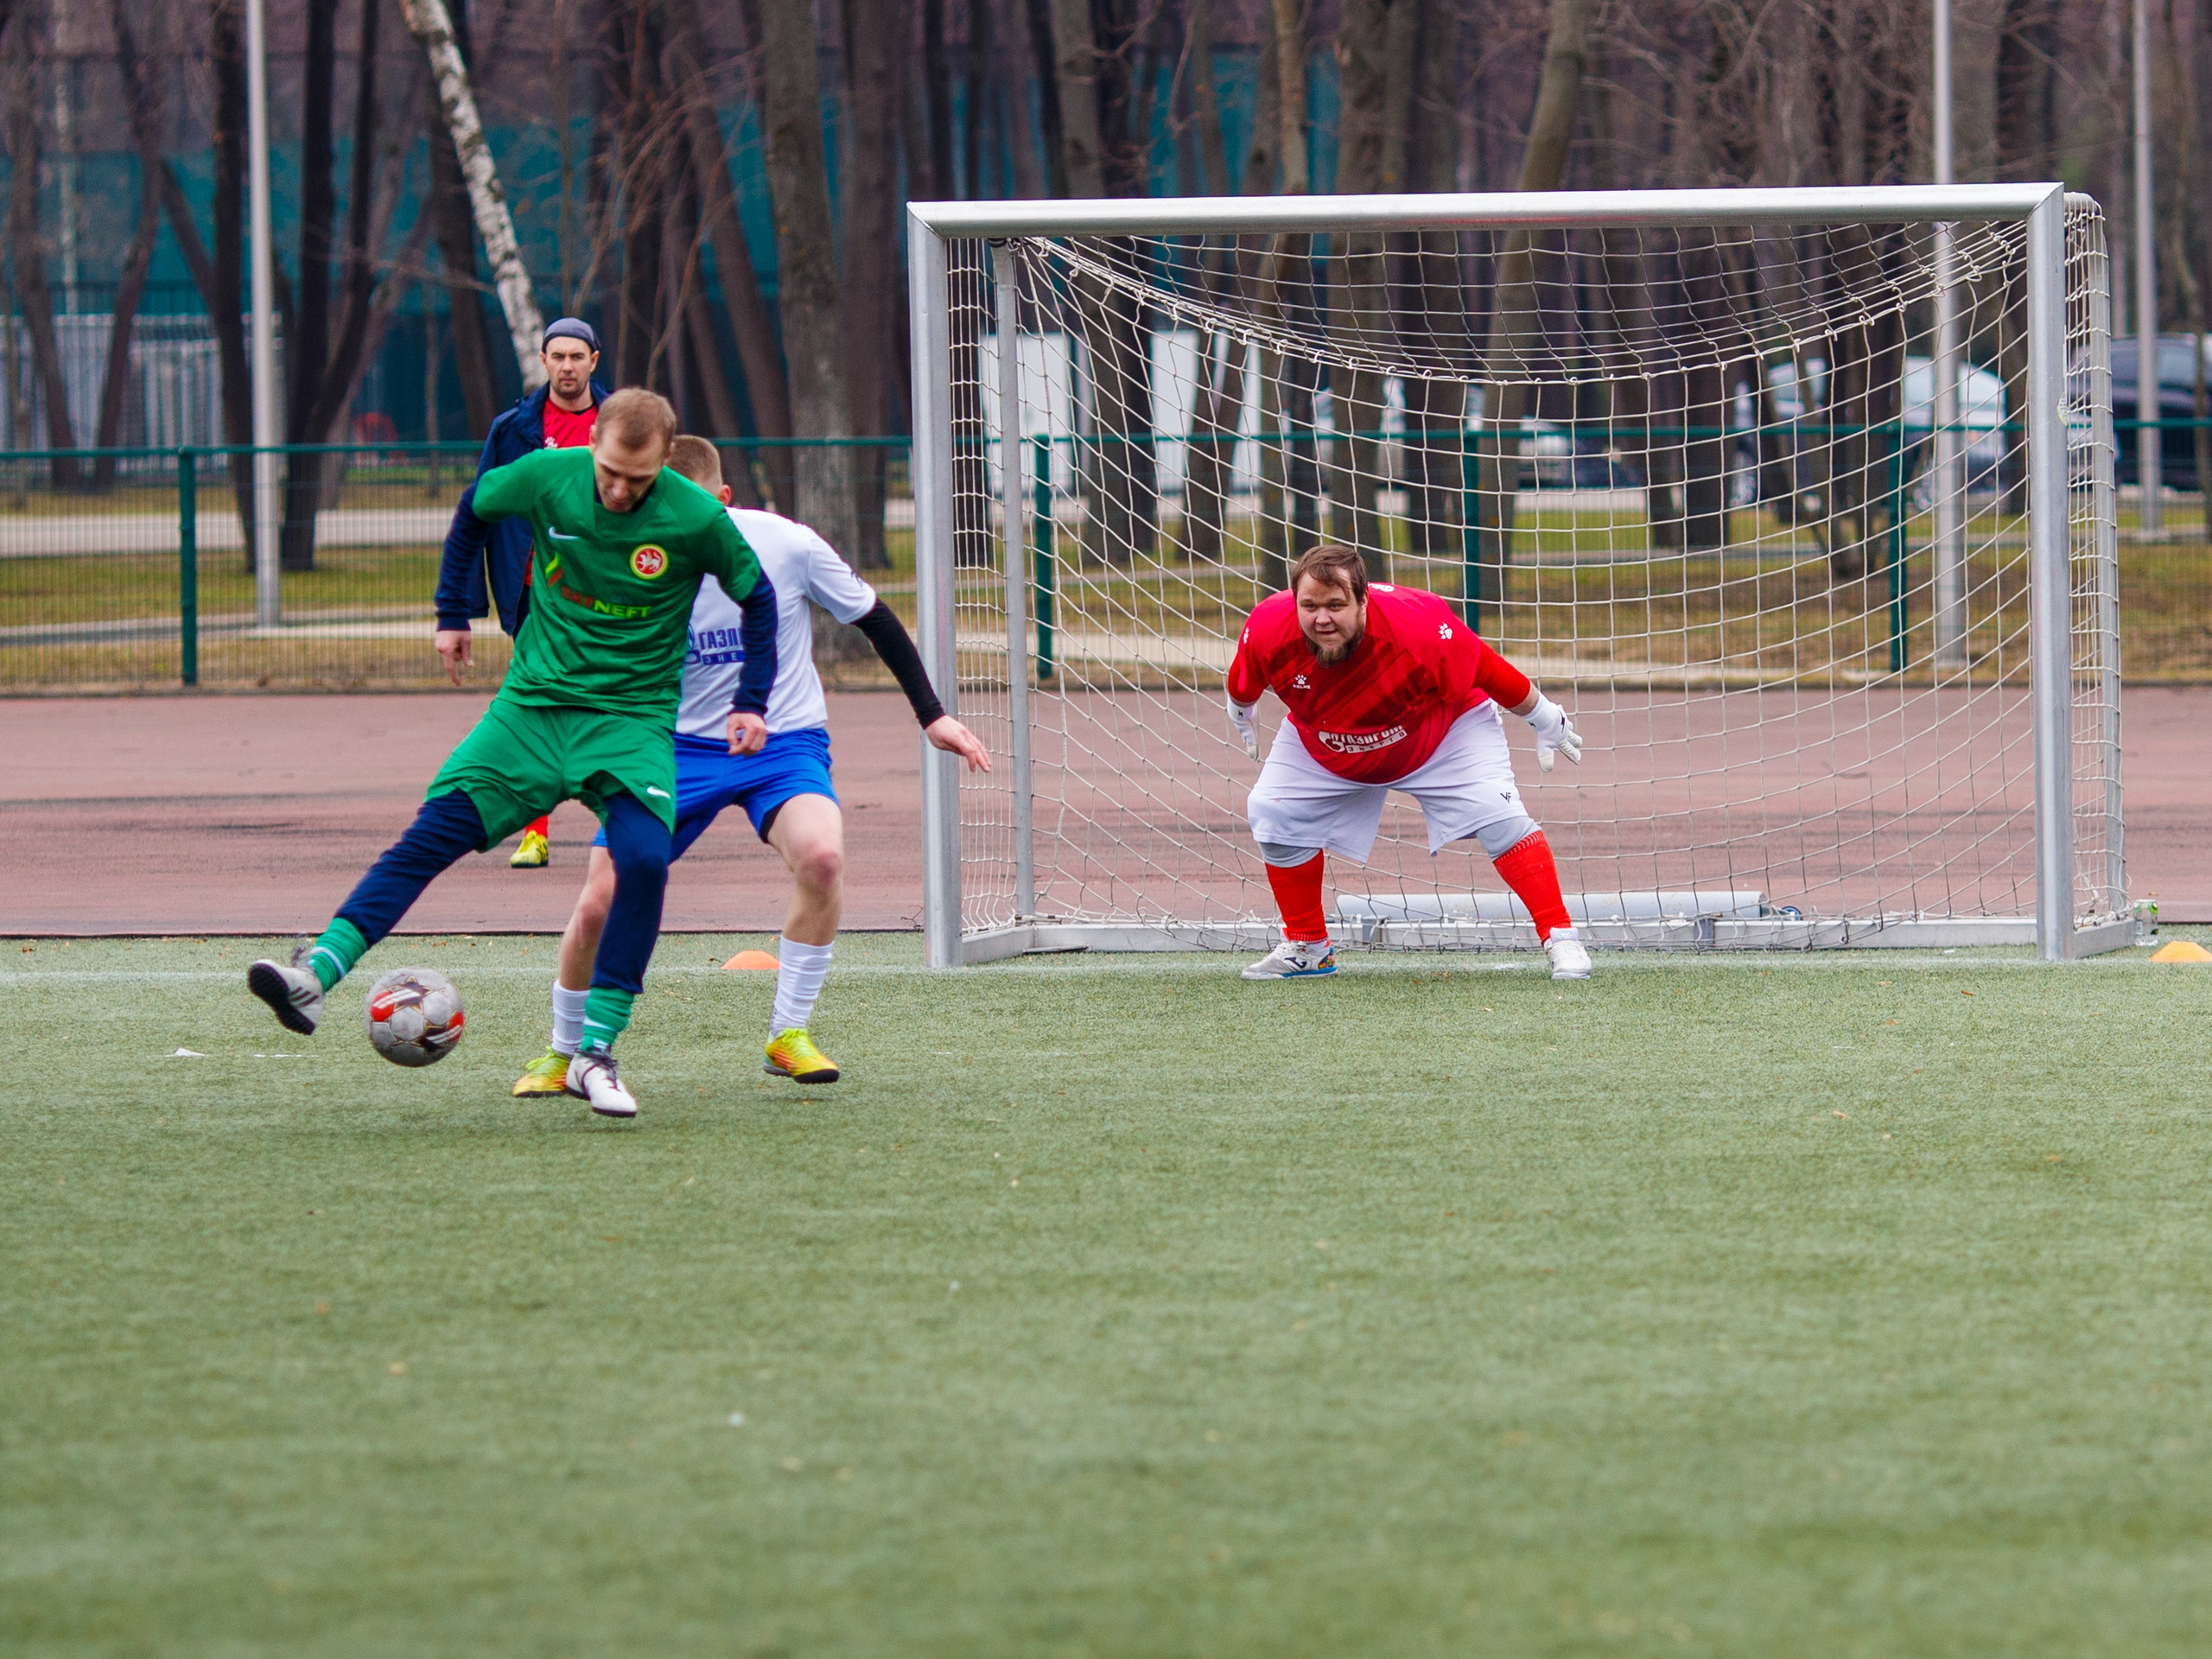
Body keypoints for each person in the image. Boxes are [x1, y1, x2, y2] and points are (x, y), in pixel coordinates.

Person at [249, 391, 779, 1120]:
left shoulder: (695, 515)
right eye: (610, 472)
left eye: (638, 478)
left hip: (627, 722)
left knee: (645, 862)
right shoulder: (545, 474)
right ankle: (315, 975)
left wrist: (752, 698)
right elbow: (474, 509)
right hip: (529, 711)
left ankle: (595, 1054)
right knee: (430, 835)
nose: (620, 489)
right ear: (592, 444)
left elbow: (760, 598)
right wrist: (451, 611)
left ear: (663, 461)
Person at [512, 436, 990, 1097]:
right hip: (669, 749)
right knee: (599, 900)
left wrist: (932, 714)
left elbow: (873, 618)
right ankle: (564, 1052)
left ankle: (787, 1034)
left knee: (822, 858)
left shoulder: (785, 544)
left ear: (724, 502)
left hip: (783, 742)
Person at [1225, 544, 1593, 982]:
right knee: (1272, 810)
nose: (1321, 618)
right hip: (1327, 741)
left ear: (1364, 602)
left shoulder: (1419, 625)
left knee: (1501, 817)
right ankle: (1308, 948)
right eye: (1310, 606)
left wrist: (1542, 715)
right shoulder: (1268, 626)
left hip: (1439, 733)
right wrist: (1240, 710)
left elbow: (1487, 669)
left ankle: (1561, 936)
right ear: (1293, 602)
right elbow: (1242, 681)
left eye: (1336, 605)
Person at [433, 317, 611, 868]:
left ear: (593, 362)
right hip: (534, 592)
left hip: (607, 593)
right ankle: (534, 829)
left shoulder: (620, 424)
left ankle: (620, 825)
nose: (566, 366)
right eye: (556, 356)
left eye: (576, 357)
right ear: (543, 360)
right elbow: (477, 515)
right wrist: (455, 611)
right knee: (539, 708)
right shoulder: (513, 429)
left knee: (607, 703)